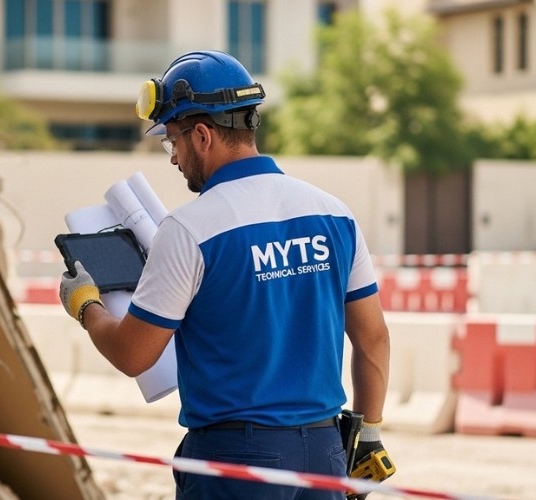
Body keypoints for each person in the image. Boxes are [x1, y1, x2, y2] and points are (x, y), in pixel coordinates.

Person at [59, 50, 392, 499]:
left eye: (171, 141)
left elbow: (134, 354)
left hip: (235, 460)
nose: (173, 158)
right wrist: (367, 433)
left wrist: (86, 305)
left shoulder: (190, 230)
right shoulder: (334, 214)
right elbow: (372, 338)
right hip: (324, 455)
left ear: (201, 136)